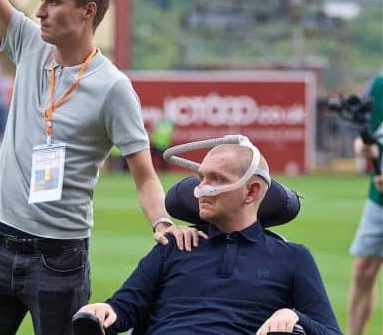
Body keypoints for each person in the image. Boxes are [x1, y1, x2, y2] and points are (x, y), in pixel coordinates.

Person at [0, 0, 203, 334]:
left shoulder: (113, 88)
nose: (40, 11)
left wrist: (161, 222)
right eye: (42, 0)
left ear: (87, 12)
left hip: (58, 260)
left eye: (53, 2)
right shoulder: (29, 44)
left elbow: (144, 174)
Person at [77, 143, 342, 334]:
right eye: (200, 177)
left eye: (216, 179)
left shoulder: (291, 257)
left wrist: (294, 317)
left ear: (251, 191)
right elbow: (123, 308)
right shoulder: (173, 246)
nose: (201, 188)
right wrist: (103, 310)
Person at [348, 72, 383, 335]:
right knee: (363, 269)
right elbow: (369, 135)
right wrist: (363, 146)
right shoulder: (379, 86)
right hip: (378, 198)